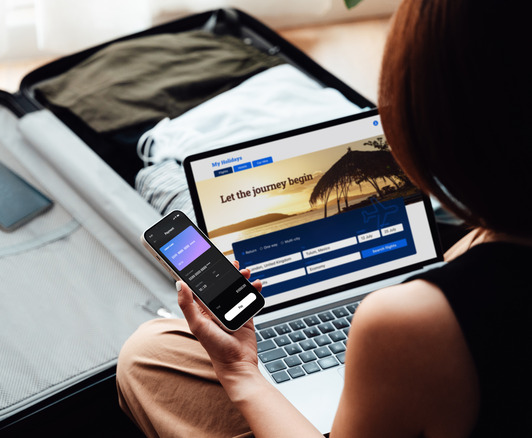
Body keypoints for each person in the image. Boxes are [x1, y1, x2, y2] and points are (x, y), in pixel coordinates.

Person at [115, 0, 531, 436]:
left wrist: (240, 372)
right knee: (155, 349)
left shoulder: (410, 322)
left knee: (147, 361)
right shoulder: (493, 237)